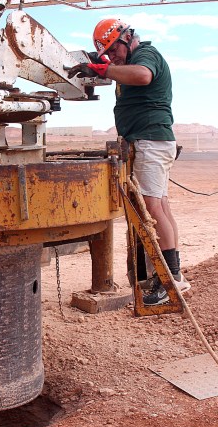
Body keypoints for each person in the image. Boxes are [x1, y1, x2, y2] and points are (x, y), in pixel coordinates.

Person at [69, 18, 190, 305]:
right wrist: (100, 65)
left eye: (114, 50)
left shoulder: (146, 55)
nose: (113, 58)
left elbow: (143, 76)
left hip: (151, 139)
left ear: (127, 37)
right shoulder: (126, 60)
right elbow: (119, 73)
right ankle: (173, 275)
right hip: (147, 140)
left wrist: (104, 67)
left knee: (152, 206)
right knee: (160, 205)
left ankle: (171, 278)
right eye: (108, 53)